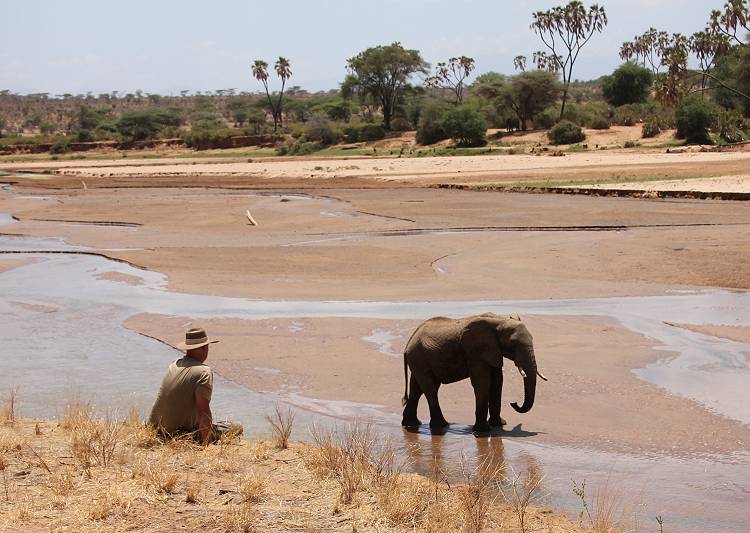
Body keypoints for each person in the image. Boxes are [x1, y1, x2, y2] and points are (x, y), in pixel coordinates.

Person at [149, 327, 242, 445]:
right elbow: (203, 411)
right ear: (204, 348)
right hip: (178, 435)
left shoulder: (175, 364)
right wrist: (206, 443)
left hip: (156, 431)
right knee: (237, 427)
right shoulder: (203, 372)